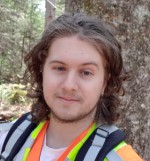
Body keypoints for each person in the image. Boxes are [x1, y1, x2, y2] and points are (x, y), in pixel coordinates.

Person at [0, 13, 143, 161]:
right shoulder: (7, 139)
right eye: (59, 68)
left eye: (86, 72)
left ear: (105, 82)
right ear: (42, 71)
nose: (69, 85)